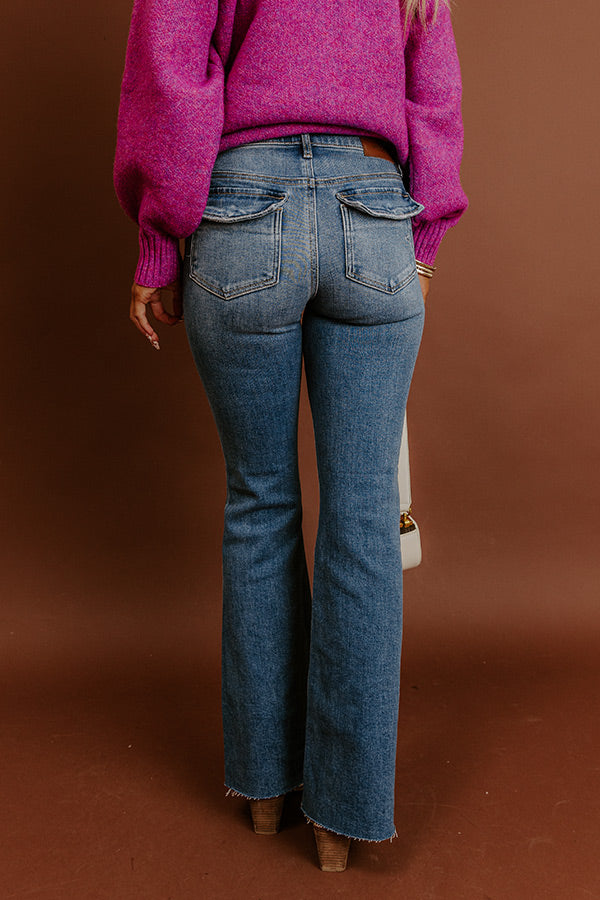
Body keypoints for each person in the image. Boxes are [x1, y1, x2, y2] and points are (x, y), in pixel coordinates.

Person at [114, 0, 468, 872]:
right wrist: (423, 238)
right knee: (363, 517)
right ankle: (343, 820)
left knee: (259, 501)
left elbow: (170, 62)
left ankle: (267, 787)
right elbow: (435, 82)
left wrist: (160, 238)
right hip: (373, 213)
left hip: (244, 211)